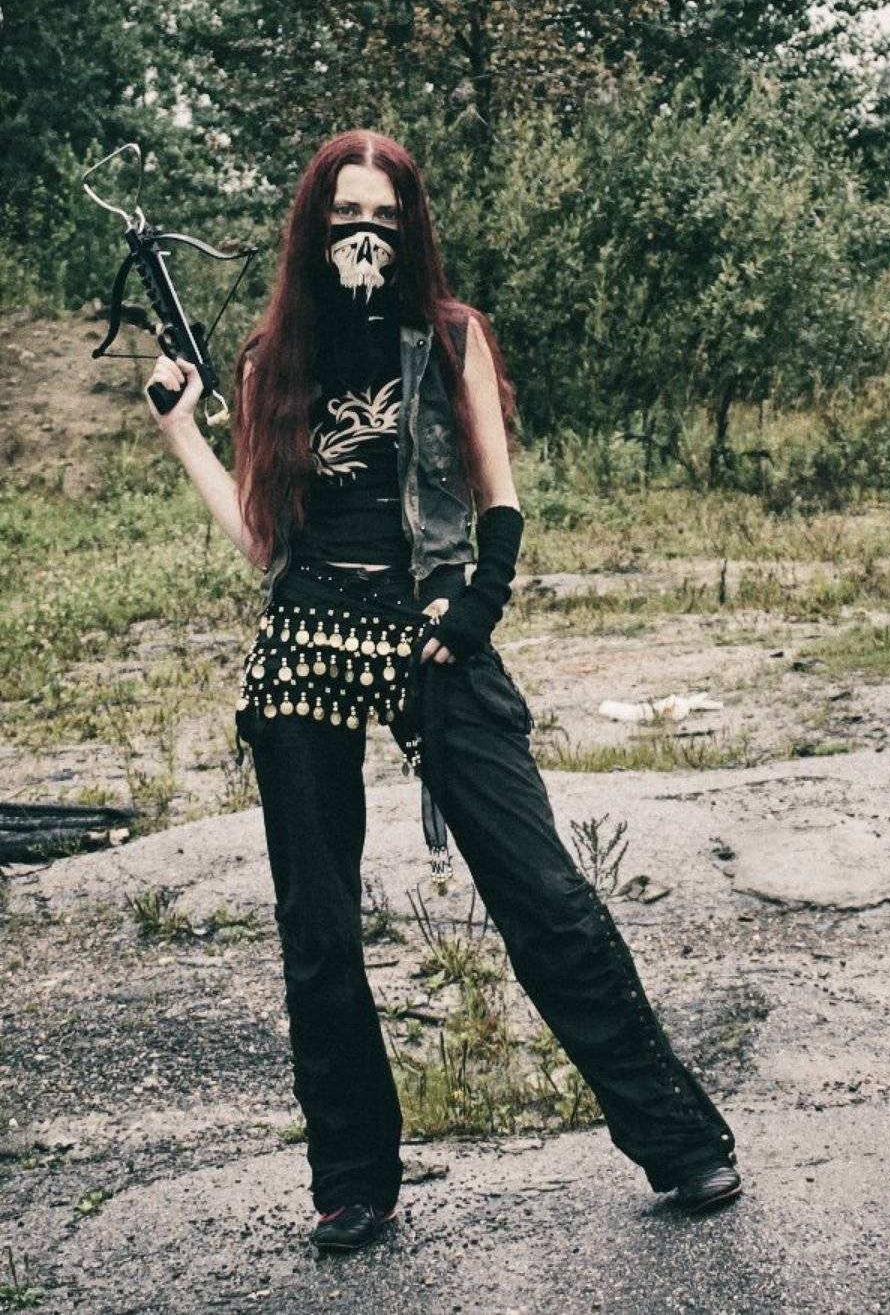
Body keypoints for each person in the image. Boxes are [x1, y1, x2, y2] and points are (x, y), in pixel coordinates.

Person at [145, 129, 741, 1254]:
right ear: (314, 229)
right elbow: (266, 541)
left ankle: (679, 1142)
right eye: (345, 216)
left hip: (427, 627)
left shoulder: (452, 336)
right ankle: (352, 1181)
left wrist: (473, 612)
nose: (363, 234)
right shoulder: (273, 359)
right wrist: (183, 433)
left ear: (409, 227)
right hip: (309, 637)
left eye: (383, 216)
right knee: (318, 924)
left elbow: (499, 502)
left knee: (542, 893)